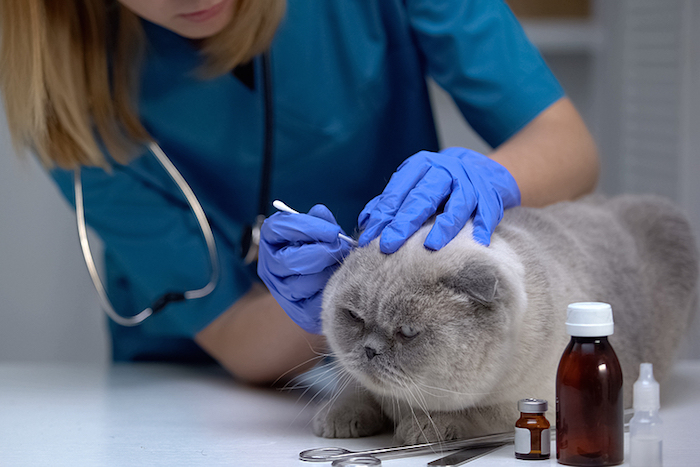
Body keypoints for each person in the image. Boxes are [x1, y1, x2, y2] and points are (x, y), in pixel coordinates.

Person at [0, 0, 598, 384]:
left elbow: (568, 147)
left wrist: (494, 177)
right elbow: (235, 336)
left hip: (412, 364)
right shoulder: (65, 90)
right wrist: (345, 296)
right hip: (180, 391)